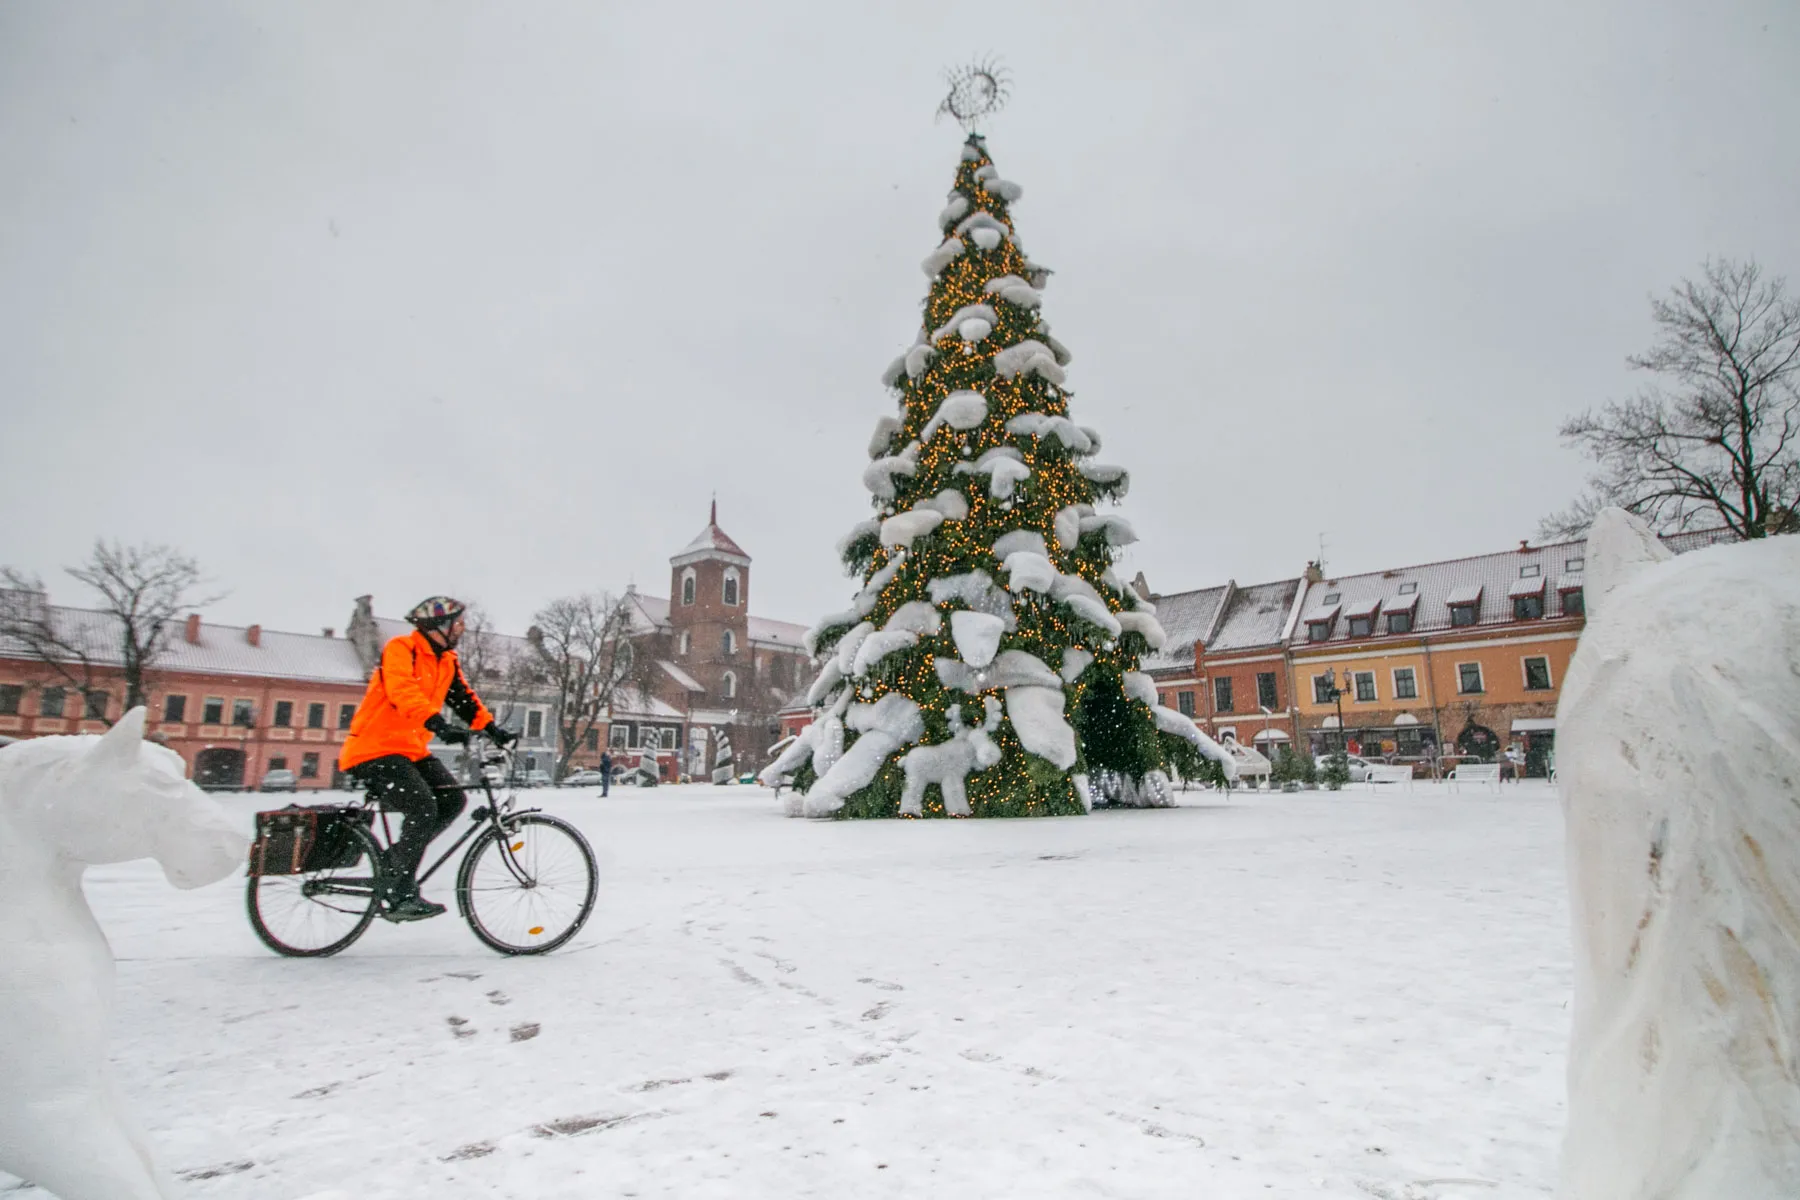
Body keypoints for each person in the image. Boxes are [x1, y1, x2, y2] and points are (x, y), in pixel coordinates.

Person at [337, 596, 516, 920]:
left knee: (452, 802)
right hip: (374, 749)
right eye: (457, 623)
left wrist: (491, 728)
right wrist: (437, 724)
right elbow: (402, 690)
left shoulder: (446, 661)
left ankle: (394, 861)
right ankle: (400, 891)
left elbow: (463, 698)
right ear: (439, 627)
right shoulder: (401, 649)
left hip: (410, 749)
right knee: (422, 806)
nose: (462, 628)